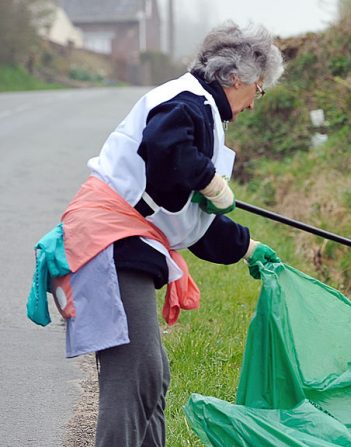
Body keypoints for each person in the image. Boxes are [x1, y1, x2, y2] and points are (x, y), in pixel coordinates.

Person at [28, 22, 284, 447]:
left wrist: (247, 247)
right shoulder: (186, 102)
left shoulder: (201, 109)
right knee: (135, 375)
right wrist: (211, 183)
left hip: (129, 238)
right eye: (259, 90)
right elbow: (168, 151)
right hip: (109, 238)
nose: (255, 104)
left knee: (152, 373)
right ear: (236, 77)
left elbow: (182, 215)